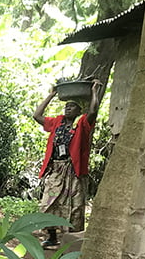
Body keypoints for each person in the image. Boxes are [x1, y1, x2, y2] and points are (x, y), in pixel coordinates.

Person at [32, 78, 103, 248]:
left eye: (72, 106)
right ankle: (51, 237)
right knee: (48, 204)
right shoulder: (57, 122)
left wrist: (94, 92)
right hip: (57, 169)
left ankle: (72, 242)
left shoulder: (82, 123)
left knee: (75, 207)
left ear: (79, 110)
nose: (67, 108)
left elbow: (93, 111)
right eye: (66, 105)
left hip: (74, 171)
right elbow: (37, 115)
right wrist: (52, 95)